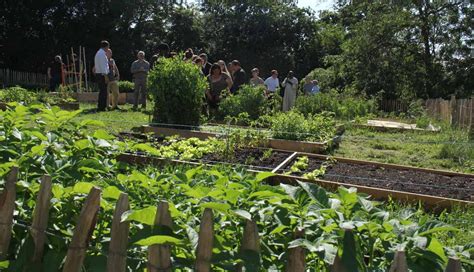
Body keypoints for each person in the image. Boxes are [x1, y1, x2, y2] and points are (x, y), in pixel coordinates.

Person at [94, 41, 110, 111]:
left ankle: (101, 106)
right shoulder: (102, 54)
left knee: (102, 91)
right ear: (106, 46)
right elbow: (103, 66)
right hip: (102, 74)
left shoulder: (99, 53)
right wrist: (106, 76)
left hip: (99, 74)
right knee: (103, 91)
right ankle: (102, 107)